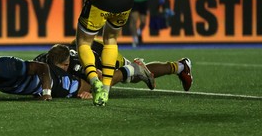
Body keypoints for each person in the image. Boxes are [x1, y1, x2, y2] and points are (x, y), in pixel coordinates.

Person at [34, 40, 193, 92]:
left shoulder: (77, 65)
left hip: (103, 54)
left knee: (105, 84)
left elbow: (101, 79)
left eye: (60, 68)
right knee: (137, 76)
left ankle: (179, 66)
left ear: (66, 63)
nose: (56, 72)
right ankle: (180, 66)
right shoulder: (44, 59)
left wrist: (83, 90)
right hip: (86, 46)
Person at [0, 54, 92, 100]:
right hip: (35, 91)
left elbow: (42, 67)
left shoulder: (8, 66)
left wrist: (46, 92)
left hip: (51, 80)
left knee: (83, 88)